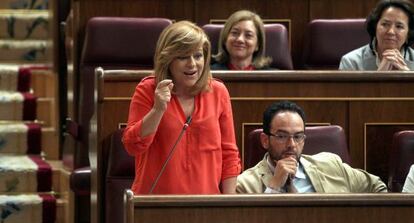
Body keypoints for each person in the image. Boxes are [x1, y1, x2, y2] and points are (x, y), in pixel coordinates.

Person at [122, 21, 241, 194]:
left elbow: (229, 155)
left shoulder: (218, 91)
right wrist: (158, 109)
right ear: (168, 59)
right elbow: (132, 145)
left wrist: (228, 206)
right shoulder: (148, 89)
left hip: (206, 205)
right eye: (183, 57)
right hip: (155, 204)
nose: (192, 64)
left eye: (198, 56)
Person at [236, 101, 387, 193]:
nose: (291, 145)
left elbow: (377, 188)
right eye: (282, 136)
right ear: (265, 140)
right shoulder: (244, 185)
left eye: (298, 136)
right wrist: (274, 187)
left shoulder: (330, 164)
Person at [339, 0, 414, 71]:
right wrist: (379, 75)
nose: (391, 31)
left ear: (409, 33)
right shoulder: (351, 62)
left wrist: (408, 76)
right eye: (385, 24)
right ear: (375, 27)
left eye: (399, 26)